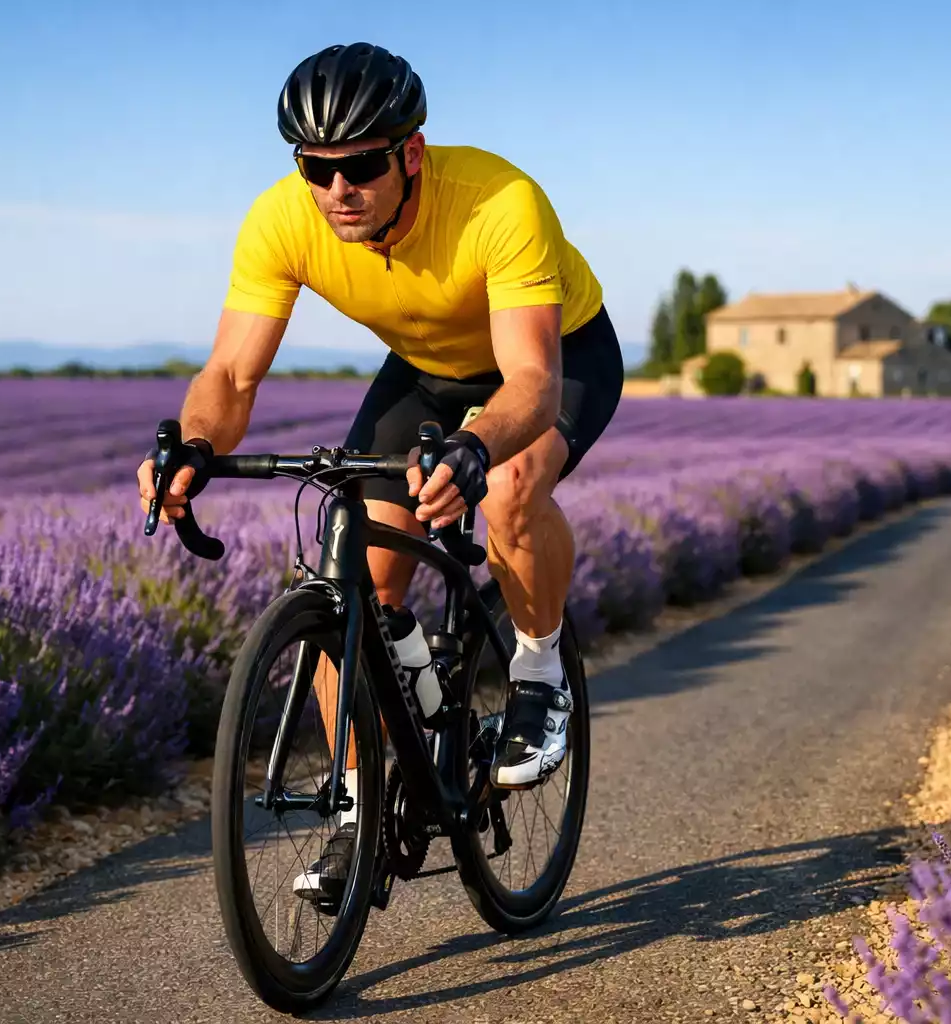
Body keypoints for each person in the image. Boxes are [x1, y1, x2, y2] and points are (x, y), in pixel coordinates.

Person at [136, 41, 623, 906]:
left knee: (511, 490)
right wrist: (195, 445)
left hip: (554, 360)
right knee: (351, 589)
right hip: (427, 371)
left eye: (360, 165)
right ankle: (359, 814)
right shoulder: (283, 218)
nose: (337, 193)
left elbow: (532, 386)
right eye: (315, 170)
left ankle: (540, 674)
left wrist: (478, 449)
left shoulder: (498, 203)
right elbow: (231, 377)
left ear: (412, 153)